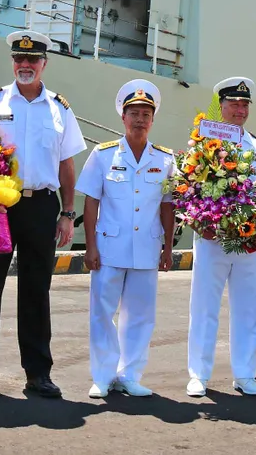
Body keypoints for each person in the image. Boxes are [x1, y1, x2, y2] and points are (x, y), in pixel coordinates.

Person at [0, 31, 87, 400]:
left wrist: (67, 212)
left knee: (36, 289)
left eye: (32, 60)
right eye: (19, 59)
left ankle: (38, 372)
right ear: (13, 63)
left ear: (44, 63)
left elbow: (66, 164)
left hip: (41, 204)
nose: (25, 65)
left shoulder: (59, 108)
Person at [186, 77, 256, 398]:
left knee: (247, 309)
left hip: (248, 243)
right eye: (234, 104)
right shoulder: (204, 141)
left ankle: (244, 374)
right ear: (222, 106)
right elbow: (188, 186)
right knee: (204, 308)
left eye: (245, 105)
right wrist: (200, 222)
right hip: (213, 239)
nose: (240, 110)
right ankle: (199, 375)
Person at [78, 79, 175, 399]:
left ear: (153, 119)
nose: (139, 119)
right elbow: (91, 200)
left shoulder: (165, 159)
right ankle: (103, 376)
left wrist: (168, 248)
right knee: (102, 312)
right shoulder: (103, 155)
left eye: (146, 113)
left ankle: (130, 374)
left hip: (147, 247)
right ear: (123, 116)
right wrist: (90, 245)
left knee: (141, 315)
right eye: (133, 112)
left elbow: (168, 205)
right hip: (109, 247)